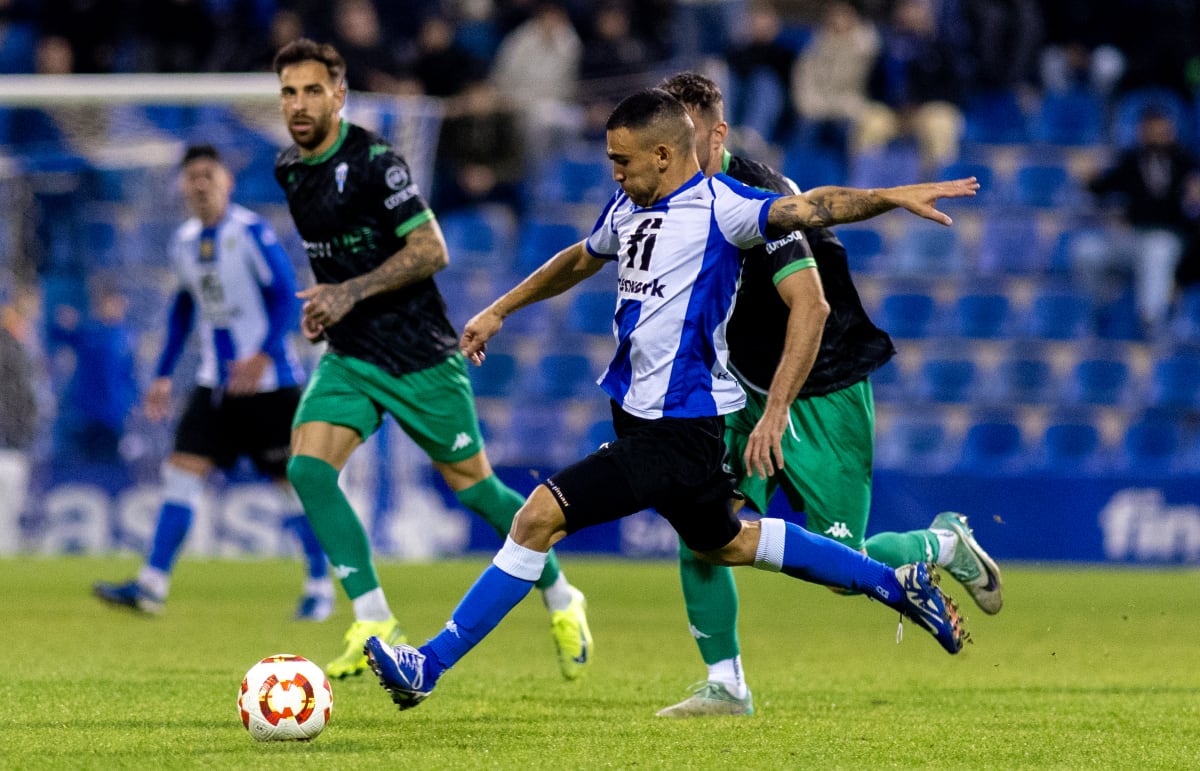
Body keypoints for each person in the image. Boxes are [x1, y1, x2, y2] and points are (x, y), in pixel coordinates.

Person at [362, 88, 980, 712]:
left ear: (662, 154)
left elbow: (812, 208)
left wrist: (891, 198)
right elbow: (581, 257)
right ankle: (893, 583)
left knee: (536, 519)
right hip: (640, 421)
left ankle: (427, 664)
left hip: (677, 431)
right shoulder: (629, 204)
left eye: (622, 161)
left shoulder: (725, 207)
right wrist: (501, 308)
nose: (614, 173)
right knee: (730, 542)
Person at [654, 71, 1004, 718]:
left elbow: (810, 308)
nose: (667, 152)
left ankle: (943, 543)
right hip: (744, 384)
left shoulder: (759, 194)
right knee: (702, 528)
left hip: (822, 382)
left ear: (718, 133)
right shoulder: (670, 194)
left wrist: (779, 411)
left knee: (843, 563)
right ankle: (726, 684)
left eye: (684, 137)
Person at [270, 38, 592, 680]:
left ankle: (561, 593)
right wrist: (327, 304)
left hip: (419, 356)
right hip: (353, 354)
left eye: (312, 90)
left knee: (476, 491)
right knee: (307, 469)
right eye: (288, 92)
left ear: (339, 95)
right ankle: (373, 617)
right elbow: (338, 257)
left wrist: (349, 292)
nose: (299, 104)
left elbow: (432, 248)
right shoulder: (290, 169)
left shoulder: (375, 160)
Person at [93, 144, 333, 621]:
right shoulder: (182, 241)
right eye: (192, 176)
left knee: (292, 486)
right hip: (215, 386)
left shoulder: (250, 233)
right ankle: (151, 585)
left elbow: (286, 297)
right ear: (182, 186)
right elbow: (183, 308)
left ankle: (319, 587)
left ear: (228, 182)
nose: (200, 184)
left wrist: (261, 356)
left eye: (209, 175)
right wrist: (162, 373)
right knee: (181, 473)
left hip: (271, 386)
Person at [1084, 107, 1200, 335]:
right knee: (1087, 251)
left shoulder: (1185, 161)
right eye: (1151, 126)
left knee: (1157, 250)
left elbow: (1193, 208)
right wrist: (1090, 179)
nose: (1157, 131)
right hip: (1132, 235)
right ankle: (1101, 305)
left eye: (1161, 126)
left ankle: (1151, 320)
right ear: (1141, 130)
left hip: (1169, 236)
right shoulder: (1131, 159)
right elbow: (1101, 188)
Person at [0, 284, 40, 555]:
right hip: (8, 436)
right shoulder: (8, 347)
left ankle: (8, 545)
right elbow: (15, 395)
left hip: (15, 436)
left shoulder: (20, 346)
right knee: (8, 492)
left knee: (12, 497)